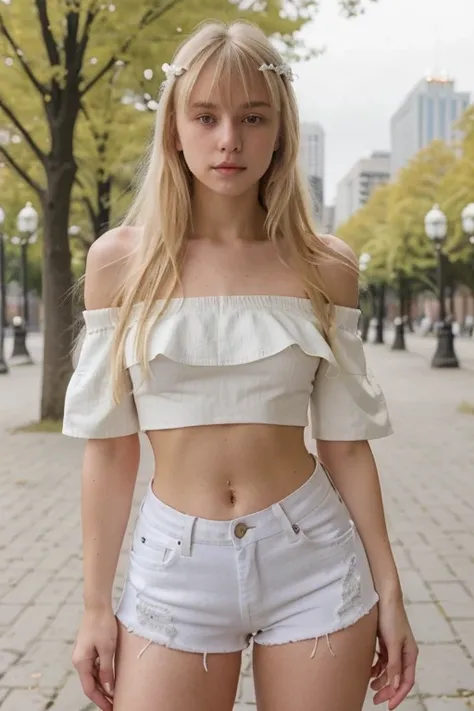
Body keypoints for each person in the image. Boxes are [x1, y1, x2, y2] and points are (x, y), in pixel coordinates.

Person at [62, 19, 418, 711]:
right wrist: (93, 605)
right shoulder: (119, 263)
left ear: (279, 129)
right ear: (175, 127)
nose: (229, 139)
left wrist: (393, 592)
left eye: (253, 118)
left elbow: (345, 444)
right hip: (174, 566)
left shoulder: (326, 266)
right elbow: (109, 452)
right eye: (207, 116)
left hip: (313, 558)